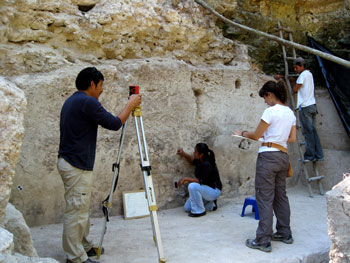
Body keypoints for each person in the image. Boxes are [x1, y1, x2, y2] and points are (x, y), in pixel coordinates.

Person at [57, 67, 142, 263]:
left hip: (72, 163)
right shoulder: (87, 101)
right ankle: (75, 257)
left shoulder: (73, 100)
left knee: (80, 208)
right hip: (75, 165)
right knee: (76, 211)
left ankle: (83, 246)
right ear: (92, 84)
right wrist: (131, 104)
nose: (102, 90)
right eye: (101, 85)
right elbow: (114, 123)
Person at [234, 80, 296, 252]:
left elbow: (256, 134)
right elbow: (292, 138)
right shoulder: (290, 113)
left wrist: (243, 133)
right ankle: (285, 232)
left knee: (264, 197)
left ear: (269, 94)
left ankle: (263, 240)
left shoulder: (271, 111)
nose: (265, 101)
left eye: (265, 98)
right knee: (280, 196)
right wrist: (274, 138)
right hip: (283, 156)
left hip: (268, 158)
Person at [176, 143, 222, 217]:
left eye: (196, 151)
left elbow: (202, 181)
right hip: (205, 190)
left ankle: (199, 211)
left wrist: (186, 178)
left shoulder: (207, 164)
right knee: (187, 208)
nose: (194, 152)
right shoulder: (200, 160)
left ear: (201, 154)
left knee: (193, 186)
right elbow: (193, 161)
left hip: (214, 190)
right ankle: (211, 204)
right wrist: (183, 154)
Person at [293, 57, 324, 162]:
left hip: (305, 107)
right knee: (313, 131)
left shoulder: (302, 75)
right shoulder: (309, 74)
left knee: (307, 132)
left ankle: (309, 156)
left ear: (302, 66)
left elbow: (295, 89)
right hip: (312, 106)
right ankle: (319, 155)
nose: (295, 70)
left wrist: (293, 86)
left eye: (296, 68)